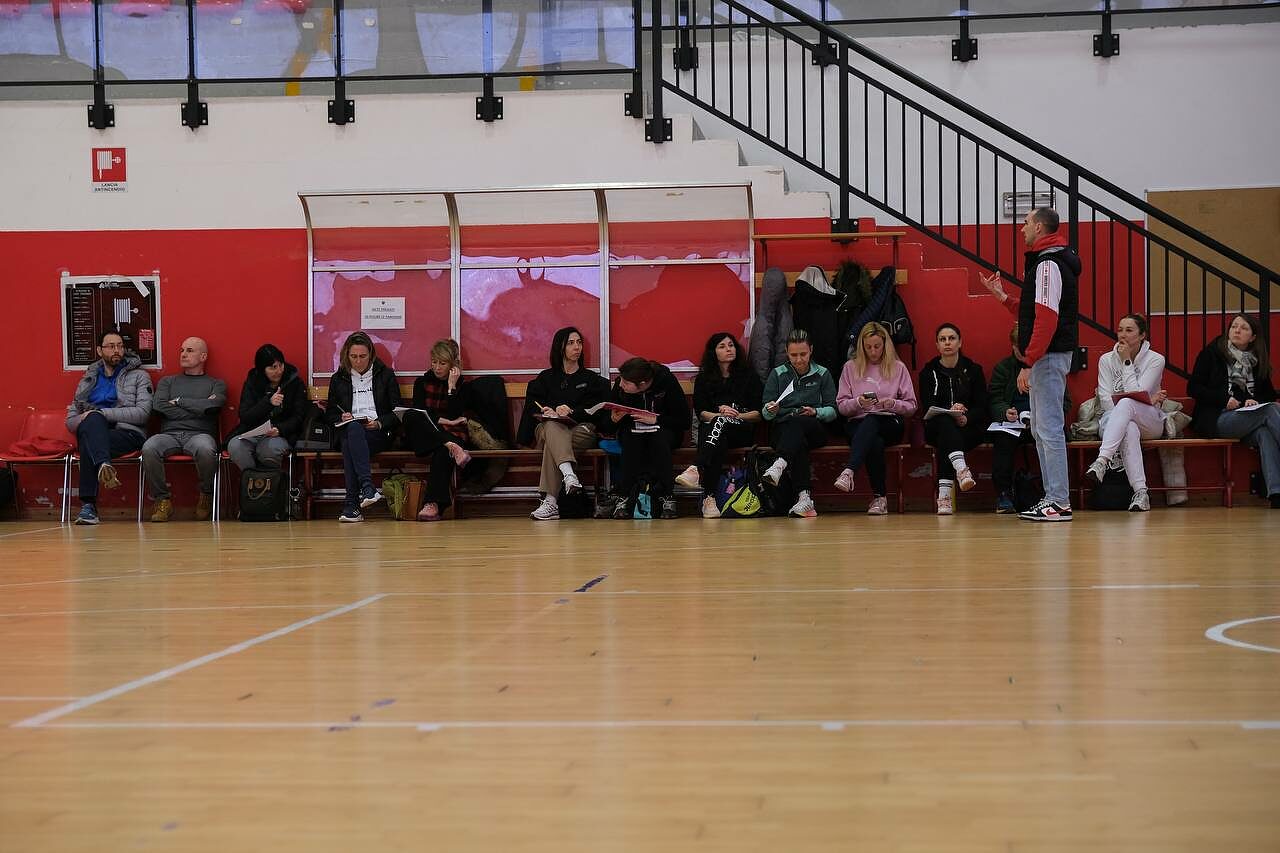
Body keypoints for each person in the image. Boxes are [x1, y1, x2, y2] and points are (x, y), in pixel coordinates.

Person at [980, 206, 1081, 522]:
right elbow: (1031, 313)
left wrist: (1028, 361)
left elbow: (1047, 320)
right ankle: (1052, 499)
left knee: (1048, 428)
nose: (1021, 228)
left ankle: (1059, 501)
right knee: (1040, 428)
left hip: (1048, 357)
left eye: (1025, 223)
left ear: (1039, 227)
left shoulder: (1048, 264)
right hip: (1046, 356)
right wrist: (1001, 297)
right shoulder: (1044, 262)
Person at [1188, 313, 1279, 508]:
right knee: (1269, 411)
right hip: (1218, 418)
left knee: (1265, 433)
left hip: (1246, 420)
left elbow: (1269, 395)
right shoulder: (1212, 354)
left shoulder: (1256, 360)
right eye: (1234, 326)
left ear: (1253, 337)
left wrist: (1254, 401)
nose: (1237, 330)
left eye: (1244, 328)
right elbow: (1193, 388)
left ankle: (1276, 494)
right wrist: (1224, 399)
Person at [520, 327, 610, 521]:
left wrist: (571, 412)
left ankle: (551, 502)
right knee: (552, 425)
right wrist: (549, 411)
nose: (577, 347)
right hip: (546, 428)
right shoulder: (545, 378)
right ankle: (569, 476)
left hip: (581, 430)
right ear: (559, 347)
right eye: (570, 343)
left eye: (579, 342)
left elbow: (597, 410)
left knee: (552, 446)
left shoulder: (591, 379)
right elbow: (532, 408)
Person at [66, 331, 153, 525]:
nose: (117, 350)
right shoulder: (88, 379)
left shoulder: (139, 376)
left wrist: (102, 413)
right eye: (111, 346)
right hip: (94, 431)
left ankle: (88, 507)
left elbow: (143, 413)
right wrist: (90, 417)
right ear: (99, 350)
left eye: (120, 346)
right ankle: (104, 464)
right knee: (92, 427)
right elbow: (70, 421)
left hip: (128, 433)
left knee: (89, 439)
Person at [1085, 314, 1169, 512]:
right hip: (1112, 419)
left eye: (1129, 330)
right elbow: (1105, 400)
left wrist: (1127, 362)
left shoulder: (1156, 360)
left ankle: (1102, 460)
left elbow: (1136, 393)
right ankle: (1141, 493)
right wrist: (1143, 399)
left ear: (1142, 335)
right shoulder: (1106, 360)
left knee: (1127, 402)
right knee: (1128, 427)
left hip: (1149, 420)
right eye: (1120, 330)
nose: (1122, 334)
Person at [834, 321, 917, 515]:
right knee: (874, 441)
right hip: (857, 424)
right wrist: (859, 402)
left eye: (877, 346)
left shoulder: (898, 367)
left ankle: (849, 471)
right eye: (868, 347)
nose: (873, 351)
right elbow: (842, 406)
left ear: (885, 344)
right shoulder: (850, 367)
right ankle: (880, 499)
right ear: (861, 347)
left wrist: (893, 404)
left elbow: (912, 406)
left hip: (890, 422)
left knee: (873, 421)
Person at [677, 332, 763, 518]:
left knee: (714, 432)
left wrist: (737, 414)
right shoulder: (704, 379)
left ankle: (697, 471)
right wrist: (720, 415)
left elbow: (758, 413)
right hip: (715, 432)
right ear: (713, 352)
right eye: (722, 346)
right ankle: (710, 500)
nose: (728, 349)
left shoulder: (749, 376)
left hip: (740, 429)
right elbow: (702, 413)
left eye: (731, 345)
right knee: (717, 441)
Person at [142, 337, 226, 522]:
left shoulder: (216, 384)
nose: (183, 354)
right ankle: (162, 500)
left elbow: (214, 406)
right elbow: (159, 406)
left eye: (189, 350)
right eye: (182, 350)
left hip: (200, 435)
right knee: (149, 447)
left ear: (203, 356)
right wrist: (199, 409)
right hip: (169, 435)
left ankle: (206, 494)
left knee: (206, 449)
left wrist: (179, 401)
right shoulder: (167, 382)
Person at [761, 329, 838, 518]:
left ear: (811, 350)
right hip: (783, 429)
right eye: (793, 355)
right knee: (797, 442)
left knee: (799, 423)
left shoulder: (822, 373)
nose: (799, 360)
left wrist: (816, 412)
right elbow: (765, 413)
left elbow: (833, 410)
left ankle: (779, 463)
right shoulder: (777, 374)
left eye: (803, 354)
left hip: (814, 428)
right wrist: (771, 410)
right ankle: (805, 499)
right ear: (787, 353)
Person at [327, 331, 401, 523]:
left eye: (362, 356)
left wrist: (379, 422)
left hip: (378, 432)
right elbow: (330, 414)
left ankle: (352, 505)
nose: (358, 361)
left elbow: (397, 412)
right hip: (350, 430)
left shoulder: (385, 375)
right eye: (353, 357)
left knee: (349, 442)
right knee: (352, 431)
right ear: (346, 355)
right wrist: (341, 416)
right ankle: (367, 488)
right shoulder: (338, 378)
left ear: (371, 355)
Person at [607, 357, 691, 520]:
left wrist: (656, 419)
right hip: (632, 430)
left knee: (659, 440)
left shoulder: (666, 381)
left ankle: (666, 496)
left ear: (643, 384)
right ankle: (624, 496)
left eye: (626, 383)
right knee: (631, 440)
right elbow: (607, 425)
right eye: (621, 380)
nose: (621, 385)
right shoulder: (621, 384)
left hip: (664, 429)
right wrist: (613, 420)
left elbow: (684, 420)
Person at [918, 323, 990, 515]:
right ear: (937, 345)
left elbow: (982, 406)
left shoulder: (974, 370)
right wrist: (949, 411)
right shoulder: (928, 372)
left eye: (951, 338)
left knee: (947, 441)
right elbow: (928, 405)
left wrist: (966, 417)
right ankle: (961, 469)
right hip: (936, 427)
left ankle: (944, 497)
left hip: (968, 429)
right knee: (945, 425)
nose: (947, 342)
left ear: (960, 342)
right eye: (942, 339)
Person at [402, 339, 474, 522]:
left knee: (443, 452)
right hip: (426, 435)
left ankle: (432, 505)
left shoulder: (463, 386)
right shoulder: (422, 382)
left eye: (442, 363)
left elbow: (455, 413)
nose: (437, 367)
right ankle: (450, 445)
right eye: (434, 362)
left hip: (452, 433)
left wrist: (451, 387)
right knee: (411, 415)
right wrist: (443, 420)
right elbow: (421, 414)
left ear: (452, 365)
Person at [226, 344, 307, 473]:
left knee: (268, 449)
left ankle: (270, 483)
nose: (279, 371)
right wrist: (268, 403)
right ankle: (253, 480)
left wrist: (279, 429)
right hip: (253, 432)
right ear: (262, 370)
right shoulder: (252, 382)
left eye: (281, 365)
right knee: (235, 446)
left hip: (280, 434)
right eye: (273, 367)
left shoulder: (294, 383)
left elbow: (299, 416)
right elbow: (245, 416)